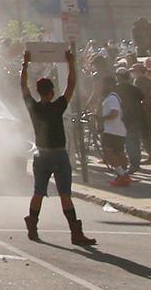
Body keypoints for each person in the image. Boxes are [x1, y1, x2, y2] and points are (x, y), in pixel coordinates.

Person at [20, 45, 96, 246]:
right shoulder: (57, 106)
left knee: (38, 192)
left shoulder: (33, 108)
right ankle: (75, 232)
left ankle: (32, 223)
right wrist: (71, 64)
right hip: (59, 155)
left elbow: (23, 88)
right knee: (64, 194)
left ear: (39, 92)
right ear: (52, 92)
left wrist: (25, 64)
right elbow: (71, 86)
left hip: (41, 155)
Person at [97, 74, 131, 188]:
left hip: (113, 130)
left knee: (108, 152)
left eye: (103, 84)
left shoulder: (111, 98)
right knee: (119, 152)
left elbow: (114, 113)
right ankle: (123, 174)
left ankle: (122, 175)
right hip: (118, 130)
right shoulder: (113, 97)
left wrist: (101, 118)